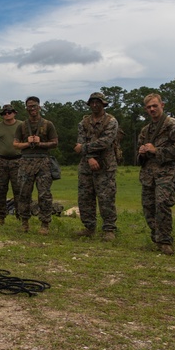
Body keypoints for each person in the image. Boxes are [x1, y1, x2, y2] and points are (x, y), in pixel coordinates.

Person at [137, 92, 175, 255]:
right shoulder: (145, 130)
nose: (152, 109)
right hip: (148, 175)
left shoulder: (173, 125)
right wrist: (141, 152)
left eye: (155, 105)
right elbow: (139, 153)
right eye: (149, 107)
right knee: (148, 206)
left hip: (166, 173)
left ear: (162, 105)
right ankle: (156, 236)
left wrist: (157, 150)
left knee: (162, 204)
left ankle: (165, 241)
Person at [74, 92, 119, 240]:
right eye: (92, 102)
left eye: (97, 102)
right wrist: (90, 158)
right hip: (87, 166)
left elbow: (105, 142)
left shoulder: (111, 121)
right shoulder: (83, 123)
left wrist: (85, 149)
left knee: (106, 198)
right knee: (85, 198)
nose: (94, 105)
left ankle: (109, 229)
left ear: (103, 103)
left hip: (106, 166)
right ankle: (89, 227)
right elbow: (79, 142)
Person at [12, 96, 58, 235]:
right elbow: (15, 144)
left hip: (43, 161)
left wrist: (40, 143)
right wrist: (27, 143)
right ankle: (24, 223)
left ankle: (45, 224)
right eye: (29, 106)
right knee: (23, 193)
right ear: (26, 109)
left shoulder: (48, 124)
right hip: (26, 161)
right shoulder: (22, 125)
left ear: (39, 107)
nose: (32, 109)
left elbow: (55, 142)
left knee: (44, 194)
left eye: (34, 106)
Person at [0, 104, 23, 226]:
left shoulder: (21, 125)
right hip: (2, 162)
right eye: (4, 113)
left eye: (9, 112)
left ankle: (21, 217)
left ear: (14, 113)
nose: (7, 114)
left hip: (18, 161)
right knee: (0, 190)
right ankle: (0, 217)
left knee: (19, 190)